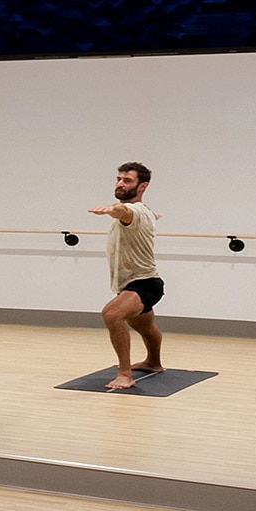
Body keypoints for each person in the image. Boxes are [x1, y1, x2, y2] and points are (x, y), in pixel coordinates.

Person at [89, 161, 163, 391]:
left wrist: (113, 210)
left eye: (127, 180)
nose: (120, 183)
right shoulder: (145, 212)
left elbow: (125, 212)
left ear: (143, 186)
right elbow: (139, 215)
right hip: (134, 283)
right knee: (145, 326)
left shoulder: (133, 211)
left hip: (144, 283)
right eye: (119, 179)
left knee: (112, 314)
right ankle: (153, 362)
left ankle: (124, 374)